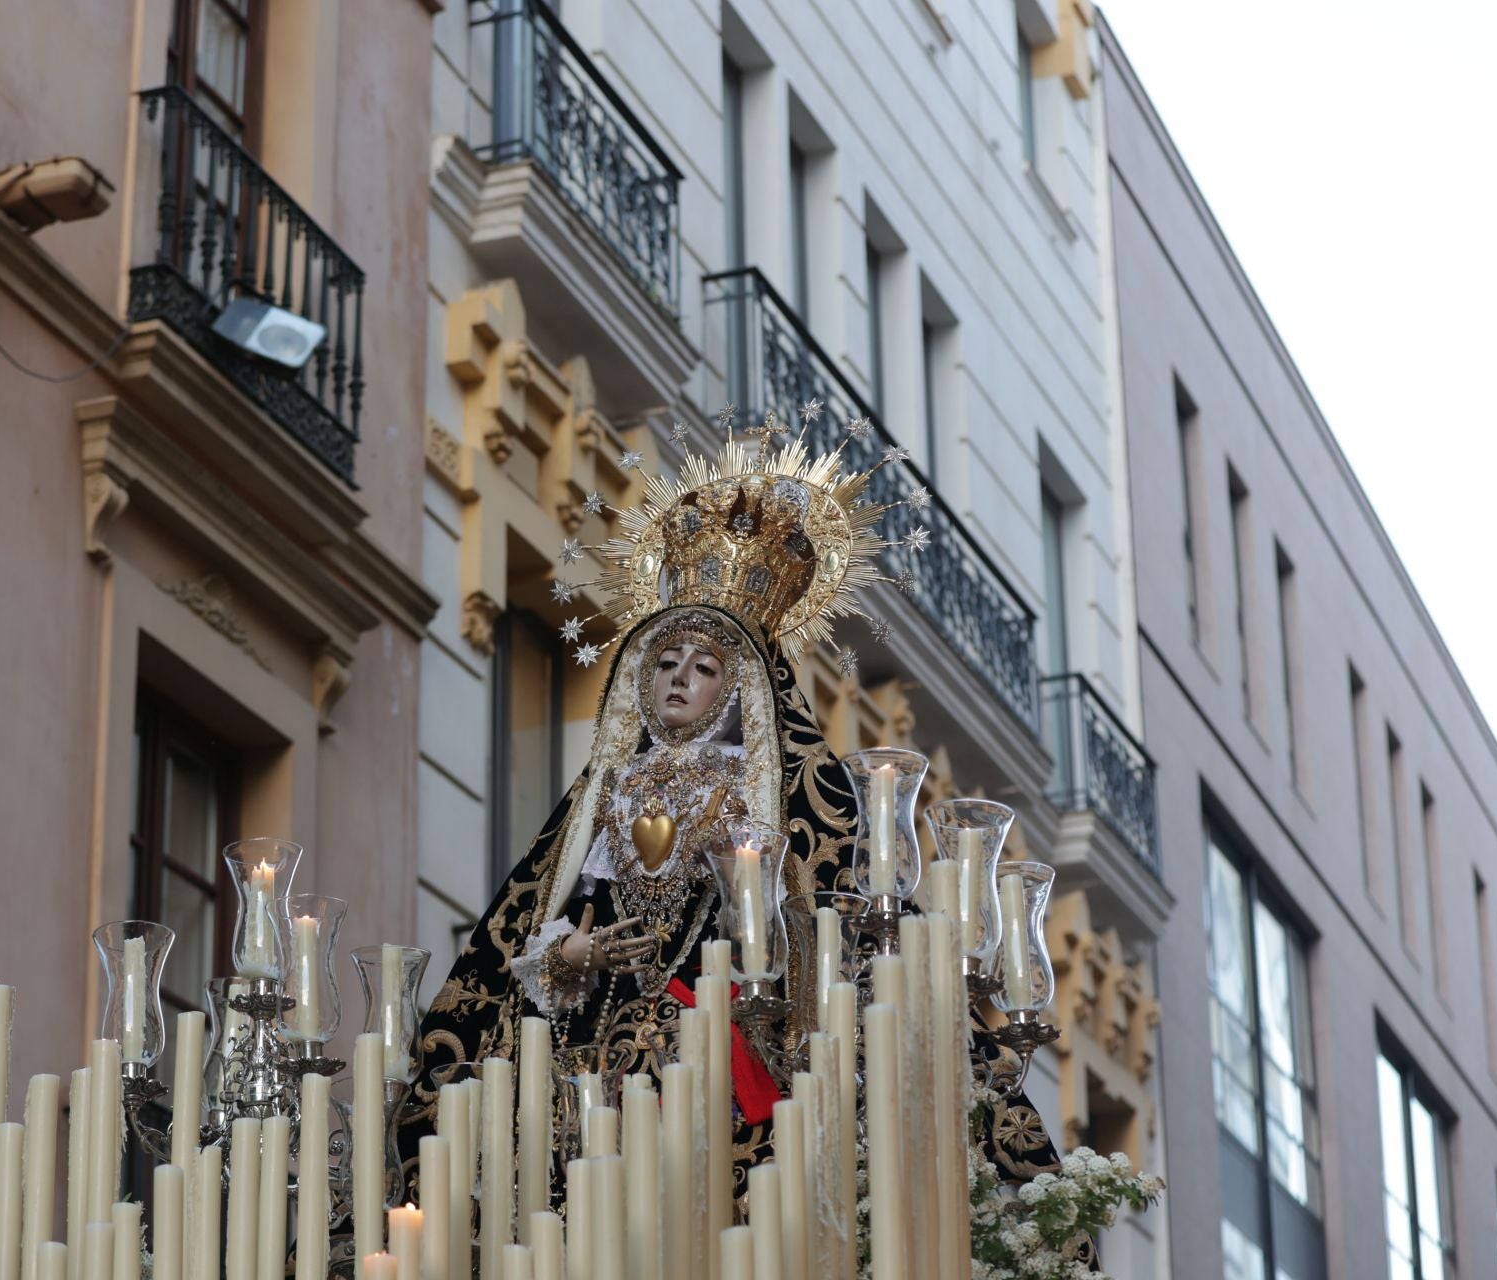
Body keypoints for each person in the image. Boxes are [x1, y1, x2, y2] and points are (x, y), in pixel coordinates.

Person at [400, 416, 1071, 1198]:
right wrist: (567, 958)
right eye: (665, 663)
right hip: (588, 1069)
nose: (678, 678)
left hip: (716, 1050)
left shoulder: (774, 797)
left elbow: (819, 924)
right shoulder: (602, 798)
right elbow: (533, 929)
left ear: (741, 688)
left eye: (704, 666)